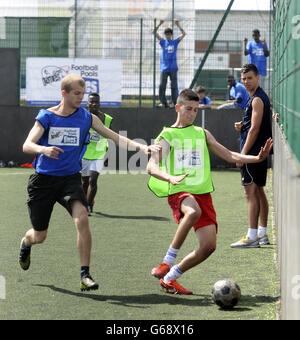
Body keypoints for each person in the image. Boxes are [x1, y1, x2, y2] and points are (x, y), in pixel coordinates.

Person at [19, 74, 160, 291]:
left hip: (69, 179)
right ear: (63, 93)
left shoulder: (87, 118)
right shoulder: (46, 117)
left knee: (82, 218)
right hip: (43, 181)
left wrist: (142, 147)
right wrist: (43, 149)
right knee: (40, 235)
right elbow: (27, 144)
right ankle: (26, 243)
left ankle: (85, 274)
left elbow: (115, 137)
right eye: (76, 93)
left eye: (82, 94)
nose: (81, 98)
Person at [147, 88, 273, 295]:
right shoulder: (167, 135)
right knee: (193, 212)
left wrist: (257, 158)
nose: (192, 113)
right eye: (188, 109)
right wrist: (170, 178)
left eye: (196, 110)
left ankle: (170, 278)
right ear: (178, 108)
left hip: (203, 194)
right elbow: (151, 167)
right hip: (180, 191)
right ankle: (166, 261)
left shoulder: (202, 133)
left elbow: (230, 155)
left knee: (209, 246)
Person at [230, 64, 273, 249]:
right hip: (259, 152)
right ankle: (262, 234)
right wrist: (243, 125)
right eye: (244, 79)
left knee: (251, 192)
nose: (246, 82)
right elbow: (254, 124)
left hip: (254, 153)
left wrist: (242, 154)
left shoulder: (257, 100)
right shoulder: (257, 97)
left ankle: (252, 236)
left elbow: (255, 129)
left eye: (249, 78)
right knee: (259, 191)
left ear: (258, 78)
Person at [81, 93, 113, 215]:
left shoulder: (107, 119)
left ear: (99, 103)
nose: (94, 104)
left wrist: (108, 153)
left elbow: (110, 137)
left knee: (93, 181)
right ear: (87, 103)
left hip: (99, 154)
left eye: (96, 102)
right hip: (84, 153)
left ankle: (87, 206)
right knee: (84, 182)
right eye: (91, 101)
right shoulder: (82, 117)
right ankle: (88, 201)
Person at [154, 19, 186, 108]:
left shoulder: (175, 42)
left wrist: (178, 25)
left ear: (171, 35)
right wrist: (159, 24)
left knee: (174, 86)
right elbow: (154, 32)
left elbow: (183, 34)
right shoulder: (163, 42)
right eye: (166, 34)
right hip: (164, 68)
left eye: (169, 34)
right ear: (165, 35)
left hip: (173, 68)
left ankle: (175, 103)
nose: (168, 36)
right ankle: (163, 103)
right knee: (162, 86)